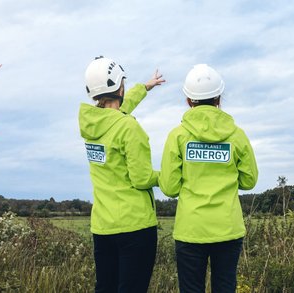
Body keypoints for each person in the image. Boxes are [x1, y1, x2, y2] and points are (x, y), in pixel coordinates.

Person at [159, 64, 258, 293]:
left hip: (191, 229)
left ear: (188, 101)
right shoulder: (237, 135)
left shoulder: (178, 135)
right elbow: (249, 180)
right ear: (219, 98)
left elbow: (169, 187)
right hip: (227, 228)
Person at [79, 56, 165, 293]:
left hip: (103, 227)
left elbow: (117, 112)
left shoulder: (91, 126)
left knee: (105, 288)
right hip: (134, 226)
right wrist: (166, 175)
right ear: (120, 86)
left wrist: (145, 88)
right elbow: (142, 178)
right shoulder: (128, 127)